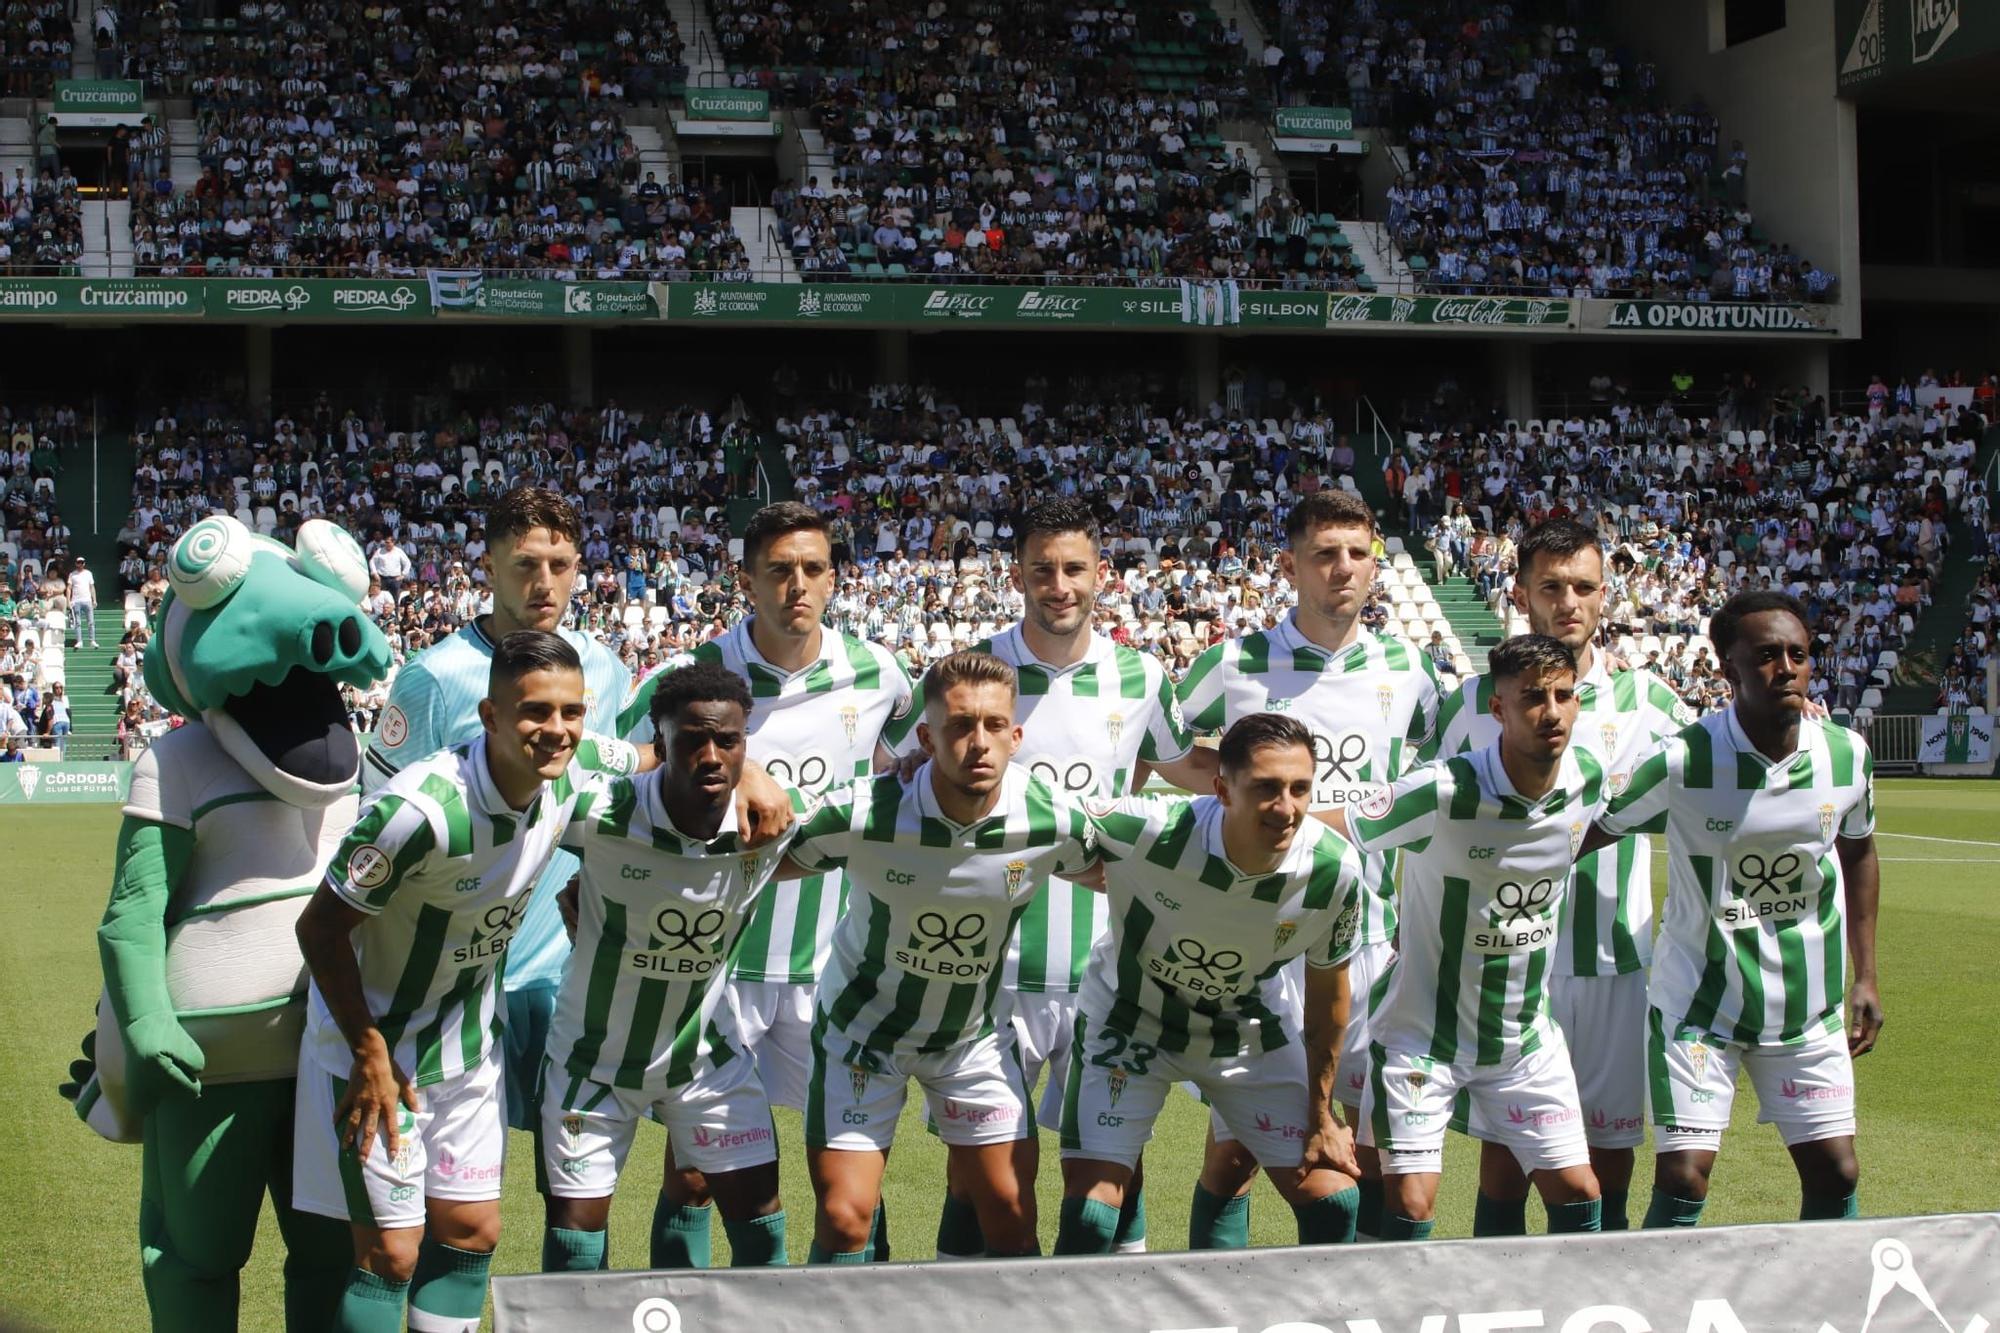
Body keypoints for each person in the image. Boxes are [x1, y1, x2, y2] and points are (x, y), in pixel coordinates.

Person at [883, 498, 1209, 1259]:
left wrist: (1264, 776)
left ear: (1101, 575)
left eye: (1073, 569)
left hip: (1108, 966)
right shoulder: (975, 676)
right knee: (985, 1176)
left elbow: (1184, 768)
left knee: (1111, 1172)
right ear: (1018, 576)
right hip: (990, 967)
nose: (1059, 584)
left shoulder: (1142, 675)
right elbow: (895, 765)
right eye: (1042, 570)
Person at [292, 632, 634, 1332]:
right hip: (376, 1051)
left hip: (468, 1048)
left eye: (572, 712)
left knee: (473, 1230)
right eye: (537, 712)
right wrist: (368, 1053)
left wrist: (746, 770)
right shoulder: (417, 812)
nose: (558, 729)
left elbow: (661, 757)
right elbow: (319, 929)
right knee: (390, 1252)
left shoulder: (570, 771)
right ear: (491, 715)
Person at [617, 501, 911, 1265]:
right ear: (746, 580)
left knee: (850, 1174)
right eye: (778, 570)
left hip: (831, 961)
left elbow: (907, 773)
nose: (797, 586)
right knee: (694, 1172)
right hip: (718, 961)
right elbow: (622, 765)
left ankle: (851, 1318)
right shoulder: (694, 676)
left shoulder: (880, 673)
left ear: (835, 578)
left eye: (813, 569)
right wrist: (743, 765)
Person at [1176, 489, 1443, 1242]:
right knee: (1236, 1151)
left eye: (1358, 554)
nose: (1343, 569)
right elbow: (1163, 749)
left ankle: (1354, 1307)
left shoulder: (1411, 670)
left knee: (1361, 1151)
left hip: (1367, 941)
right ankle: (1218, 1309)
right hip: (1259, 939)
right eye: (1325, 554)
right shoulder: (1234, 664)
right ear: (1292, 564)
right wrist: (1235, 807)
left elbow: (1441, 771)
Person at [784, 650, 1099, 1262]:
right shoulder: (864, 811)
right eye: (959, 726)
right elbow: (755, 861)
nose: (977, 742)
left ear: (1016, 735)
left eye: (992, 726)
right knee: (846, 1220)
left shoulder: (1051, 819)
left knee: (1010, 1222)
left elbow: (1127, 873)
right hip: (861, 1034)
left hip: (970, 1041)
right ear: (926, 737)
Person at [1423, 518, 1692, 1232]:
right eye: (1550, 587)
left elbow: (1717, 779)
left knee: (1608, 1155)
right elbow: (1412, 823)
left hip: (1610, 961)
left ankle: (1595, 1295)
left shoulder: (1652, 704)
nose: (1567, 601)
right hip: (1500, 963)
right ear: (1519, 593)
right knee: (1507, 1159)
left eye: (1582, 586)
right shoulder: (1470, 707)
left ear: (1604, 596)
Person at [1584, 590, 1881, 1228]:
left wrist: (1866, 974)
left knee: (1838, 1171)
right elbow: (1594, 830)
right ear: (1729, 669)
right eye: (1767, 655)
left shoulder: (1846, 754)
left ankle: (1831, 1307)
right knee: (1685, 1175)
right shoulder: (1682, 759)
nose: (1786, 668)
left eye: (1798, 655)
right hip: (1698, 1006)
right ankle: (1661, 1309)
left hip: (1807, 1007)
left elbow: (1858, 853)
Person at [362, 491, 643, 1154]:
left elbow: (619, 794)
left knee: (573, 1175)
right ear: (487, 564)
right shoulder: (434, 677)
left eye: (560, 563)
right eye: (525, 563)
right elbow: (373, 819)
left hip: (563, 969)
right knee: (440, 1185)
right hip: (446, 978)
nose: (544, 582)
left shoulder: (602, 668)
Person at [1052, 712, 1369, 1253]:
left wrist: (1322, 1114)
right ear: (1222, 788)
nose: (1287, 808)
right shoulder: (1148, 829)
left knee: (1333, 1200)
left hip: (1246, 1035)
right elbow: (1034, 816)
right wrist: (924, 770)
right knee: (1090, 1216)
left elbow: (1327, 1001)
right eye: (1266, 788)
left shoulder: (1334, 871)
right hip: (1129, 1025)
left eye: (1299, 788)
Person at [1328, 635, 1609, 1239]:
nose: (1552, 711)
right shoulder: (1442, 788)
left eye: (1564, 695)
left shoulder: (1587, 776)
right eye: (1533, 697)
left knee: (1580, 1192)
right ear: (1498, 709)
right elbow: (1337, 830)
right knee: (1409, 1204)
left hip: (1525, 1040)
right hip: (1420, 1039)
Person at [540, 662, 795, 1273]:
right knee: (576, 1245)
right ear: (662, 740)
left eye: (728, 742)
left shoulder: (774, 820)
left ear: (745, 743)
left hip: (706, 1062)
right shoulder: (599, 811)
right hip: (591, 1063)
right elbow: (530, 766)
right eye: (691, 740)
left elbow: (871, 812)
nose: (711, 755)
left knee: (760, 1227)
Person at [68, 555, 97, 648]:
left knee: (91, 622)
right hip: (76, 601)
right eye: (78, 562)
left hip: (87, 600)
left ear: (84, 564)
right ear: (76, 564)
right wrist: (68, 601)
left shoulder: (89, 573)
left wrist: (94, 600)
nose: (80, 564)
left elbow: (92, 587)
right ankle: (79, 641)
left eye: (82, 562)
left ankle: (92, 640)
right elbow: (69, 588)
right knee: (77, 622)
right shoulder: (72, 574)